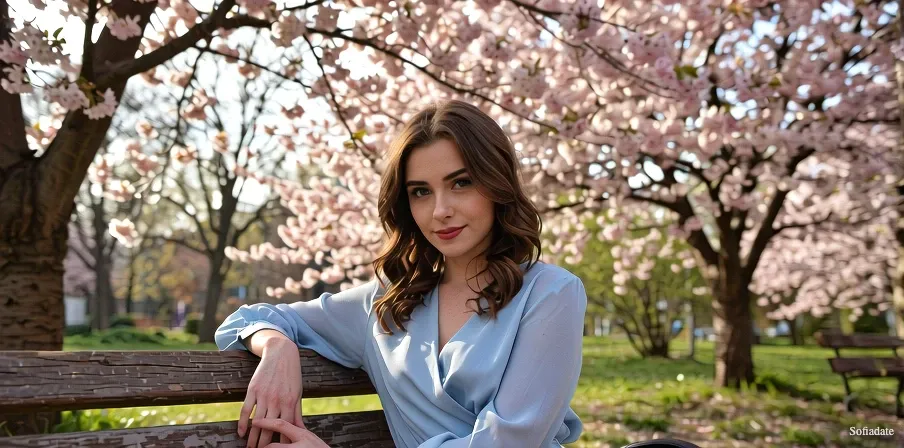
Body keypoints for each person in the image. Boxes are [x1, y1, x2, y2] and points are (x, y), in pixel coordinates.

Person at [215, 99, 588, 448]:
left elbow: (507, 441)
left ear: (497, 185)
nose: (440, 210)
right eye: (420, 192)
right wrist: (278, 347)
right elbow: (247, 319)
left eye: (461, 182)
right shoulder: (384, 303)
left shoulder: (551, 293)